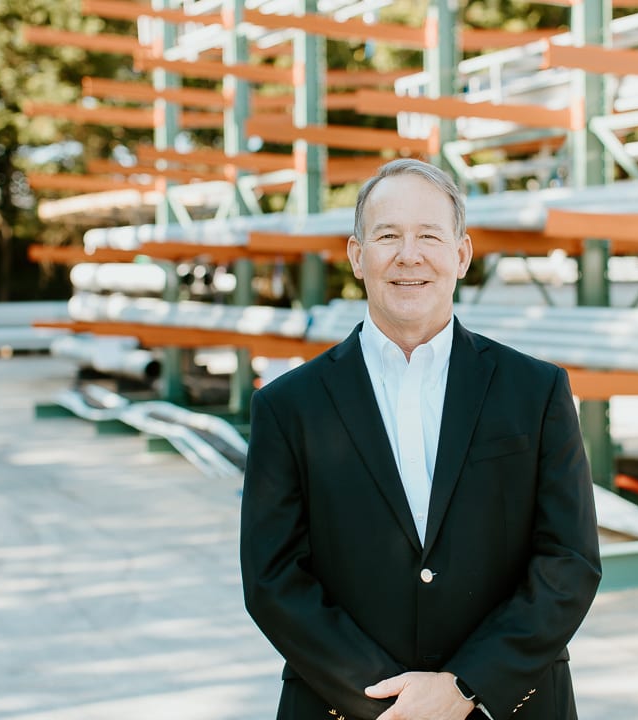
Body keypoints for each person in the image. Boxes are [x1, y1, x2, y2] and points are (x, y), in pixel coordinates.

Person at [241, 159, 601, 720]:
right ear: (357, 257)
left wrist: (465, 686)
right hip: (346, 708)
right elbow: (273, 580)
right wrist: (392, 700)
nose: (409, 255)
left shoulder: (537, 391)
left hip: (508, 704)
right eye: (388, 236)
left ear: (461, 255)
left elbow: (570, 560)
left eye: (429, 236)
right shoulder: (288, 406)